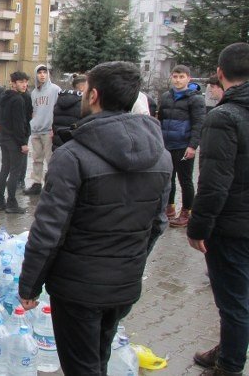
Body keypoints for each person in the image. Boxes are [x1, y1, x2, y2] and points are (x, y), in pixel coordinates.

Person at [18, 61, 172, 375]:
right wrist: (132, 262)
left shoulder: (72, 156)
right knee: (98, 357)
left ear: (94, 96)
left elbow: (49, 231)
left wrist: (29, 286)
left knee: (81, 366)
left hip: (78, 290)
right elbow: (158, 222)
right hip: (123, 283)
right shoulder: (162, 155)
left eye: (86, 89)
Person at [188, 43, 249, 376]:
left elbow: (213, 183)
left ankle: (230, 364)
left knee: (234, 302)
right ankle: (228, 347)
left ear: (221, 74)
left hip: (233, 226)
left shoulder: (224, 117)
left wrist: (198, 227)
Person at [157, 64, 206, 228]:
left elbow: (199, 124)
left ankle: (187, 211)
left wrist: (192, 146)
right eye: (175, 77)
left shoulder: (196, 98)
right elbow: (160, 120)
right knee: (168, 179)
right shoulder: (165, 96)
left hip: (183, 145)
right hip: (166, 145)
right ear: (171, 77)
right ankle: (169, 207)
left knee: (185, 180)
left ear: (188, 78)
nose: (178, 80)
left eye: (181, 77)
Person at [0, 72, 31, 214]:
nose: (24, 85)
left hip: (4, 138)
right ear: (13, 83)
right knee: (14, 172)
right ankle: (11, 203)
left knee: (4, 169)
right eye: (21, 82)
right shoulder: (18, 100)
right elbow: (19, 124)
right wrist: (23, 142)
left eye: (25, 82)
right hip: (13, 140)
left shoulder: (5, 96)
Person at [24, 64, 60, 195]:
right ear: (36, 75)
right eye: (39, 73)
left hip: (49, 131)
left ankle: (51, 185)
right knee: (36, 159)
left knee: (50, 159)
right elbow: (34, 111)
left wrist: (54, 128)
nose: (42, 75)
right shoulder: (34, 93)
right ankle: (36, 183)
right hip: (36, 131)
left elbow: (59, 109)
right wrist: (32, 125)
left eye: (45, 72)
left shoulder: (55, 89)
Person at [51, 73, 86, 150]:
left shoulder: (58, 103)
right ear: (82, 87)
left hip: (58, 148)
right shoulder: (83, 105)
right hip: (74, 150)